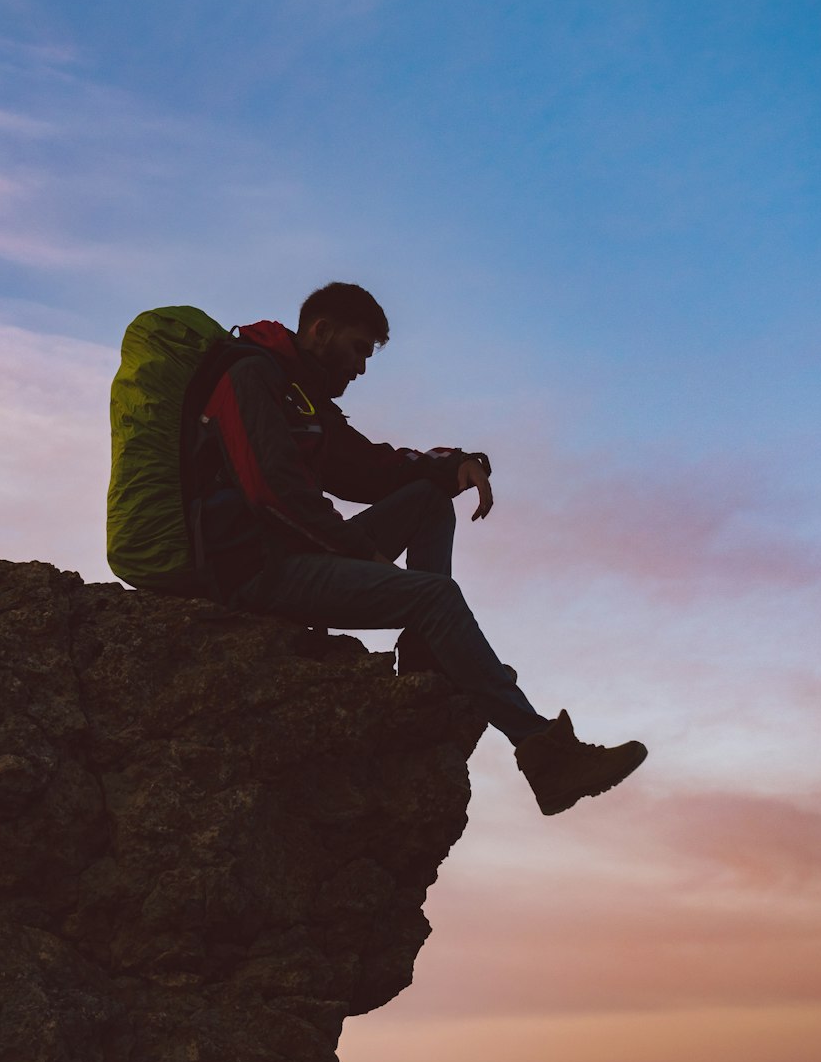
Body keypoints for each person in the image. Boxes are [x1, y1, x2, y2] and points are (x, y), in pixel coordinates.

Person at [194, 282, 646, 815]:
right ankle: (544, 756)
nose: (361, 367)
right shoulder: (251, 378)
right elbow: (274, 495)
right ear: (321, 331)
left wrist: (451, 465)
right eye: (359, 348)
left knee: (429, 501)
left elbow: (368, 466)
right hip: (256, 571)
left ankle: (427, 668)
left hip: (295, 552)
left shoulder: (303, 397)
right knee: (434, 596)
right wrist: (364, 555)